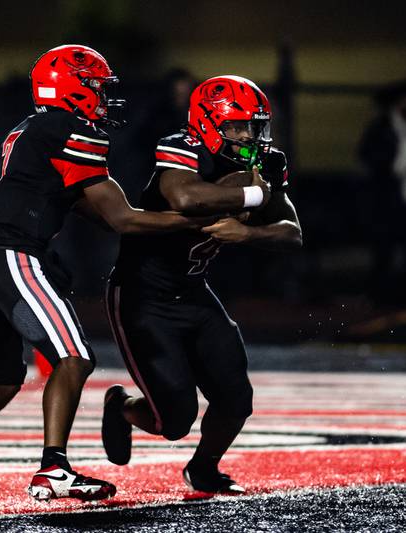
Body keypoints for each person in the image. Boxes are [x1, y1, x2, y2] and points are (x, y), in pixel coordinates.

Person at [0, 47, 261, 503]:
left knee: (3, 380)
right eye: (95, 86)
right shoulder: (72, 129)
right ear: (71, 87)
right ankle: (53, 469)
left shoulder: (32, 128)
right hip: (13, 254)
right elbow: (123, 219)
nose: (101, 96)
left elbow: (74, 202)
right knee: (74, 357)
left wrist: (143, 224)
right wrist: (197, 223)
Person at [101, 75, 302, 493]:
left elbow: (292, 233)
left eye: (256, 126)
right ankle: (122, 407)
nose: (249, 136)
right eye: (238, 126)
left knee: (235, 399)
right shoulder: (182, 146)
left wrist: (249, 234)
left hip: (194, 291)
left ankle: (203, 468)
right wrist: (253, 197)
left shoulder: (266, 163)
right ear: (208, 123)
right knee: (173, 420)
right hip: (142, 294)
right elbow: (187, 199)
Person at [358, 79, 406, 303]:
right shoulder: (383, 126)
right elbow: (369, 156)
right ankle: (381, 298)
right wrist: (388, 169)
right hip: (390, 197)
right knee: (386, 250)